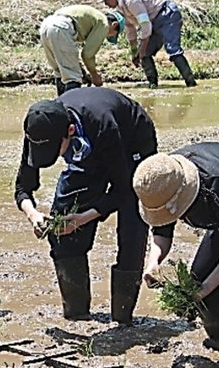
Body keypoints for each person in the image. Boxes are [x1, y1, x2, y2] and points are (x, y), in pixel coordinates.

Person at [15, 87, 157, 324]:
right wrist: (33, 215)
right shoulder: (39, 127)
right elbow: (22, 188)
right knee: (61, 226)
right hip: (87, 148)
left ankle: (122, 318)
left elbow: (122, 190)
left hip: (131, 141)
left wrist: (84, 218)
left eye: (53, 150)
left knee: (132, 221)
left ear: (69, 132)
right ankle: (77, 313)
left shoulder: (103, 125)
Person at [133, 142, 219, 368]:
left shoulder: (217, 188)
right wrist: (152, 263)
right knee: (197, 281)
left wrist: (202, 291)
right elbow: (161, 230)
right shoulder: (162, 179)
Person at [99, 0, 197, 88]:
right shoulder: (119, 7)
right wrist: (134, 52)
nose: (105, 4)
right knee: (145, 54)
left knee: (173, 50)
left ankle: (191, 83)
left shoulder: (131, 0)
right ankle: (152, 83)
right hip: (153, 21)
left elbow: (145, 25)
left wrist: (142, 48)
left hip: (167, 15)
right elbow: (130, 29)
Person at [39, 5, 124, 95]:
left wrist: (82, 71)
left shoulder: (94, 16)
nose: (108, 36)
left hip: (46, 25)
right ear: (114, 25)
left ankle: (61, 106)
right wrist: (94, 75)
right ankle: (70, 107)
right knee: (73, 77)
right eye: (113, 34)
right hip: (62, 28)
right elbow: (87, 55)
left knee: (60, 71)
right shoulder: (104, 24)